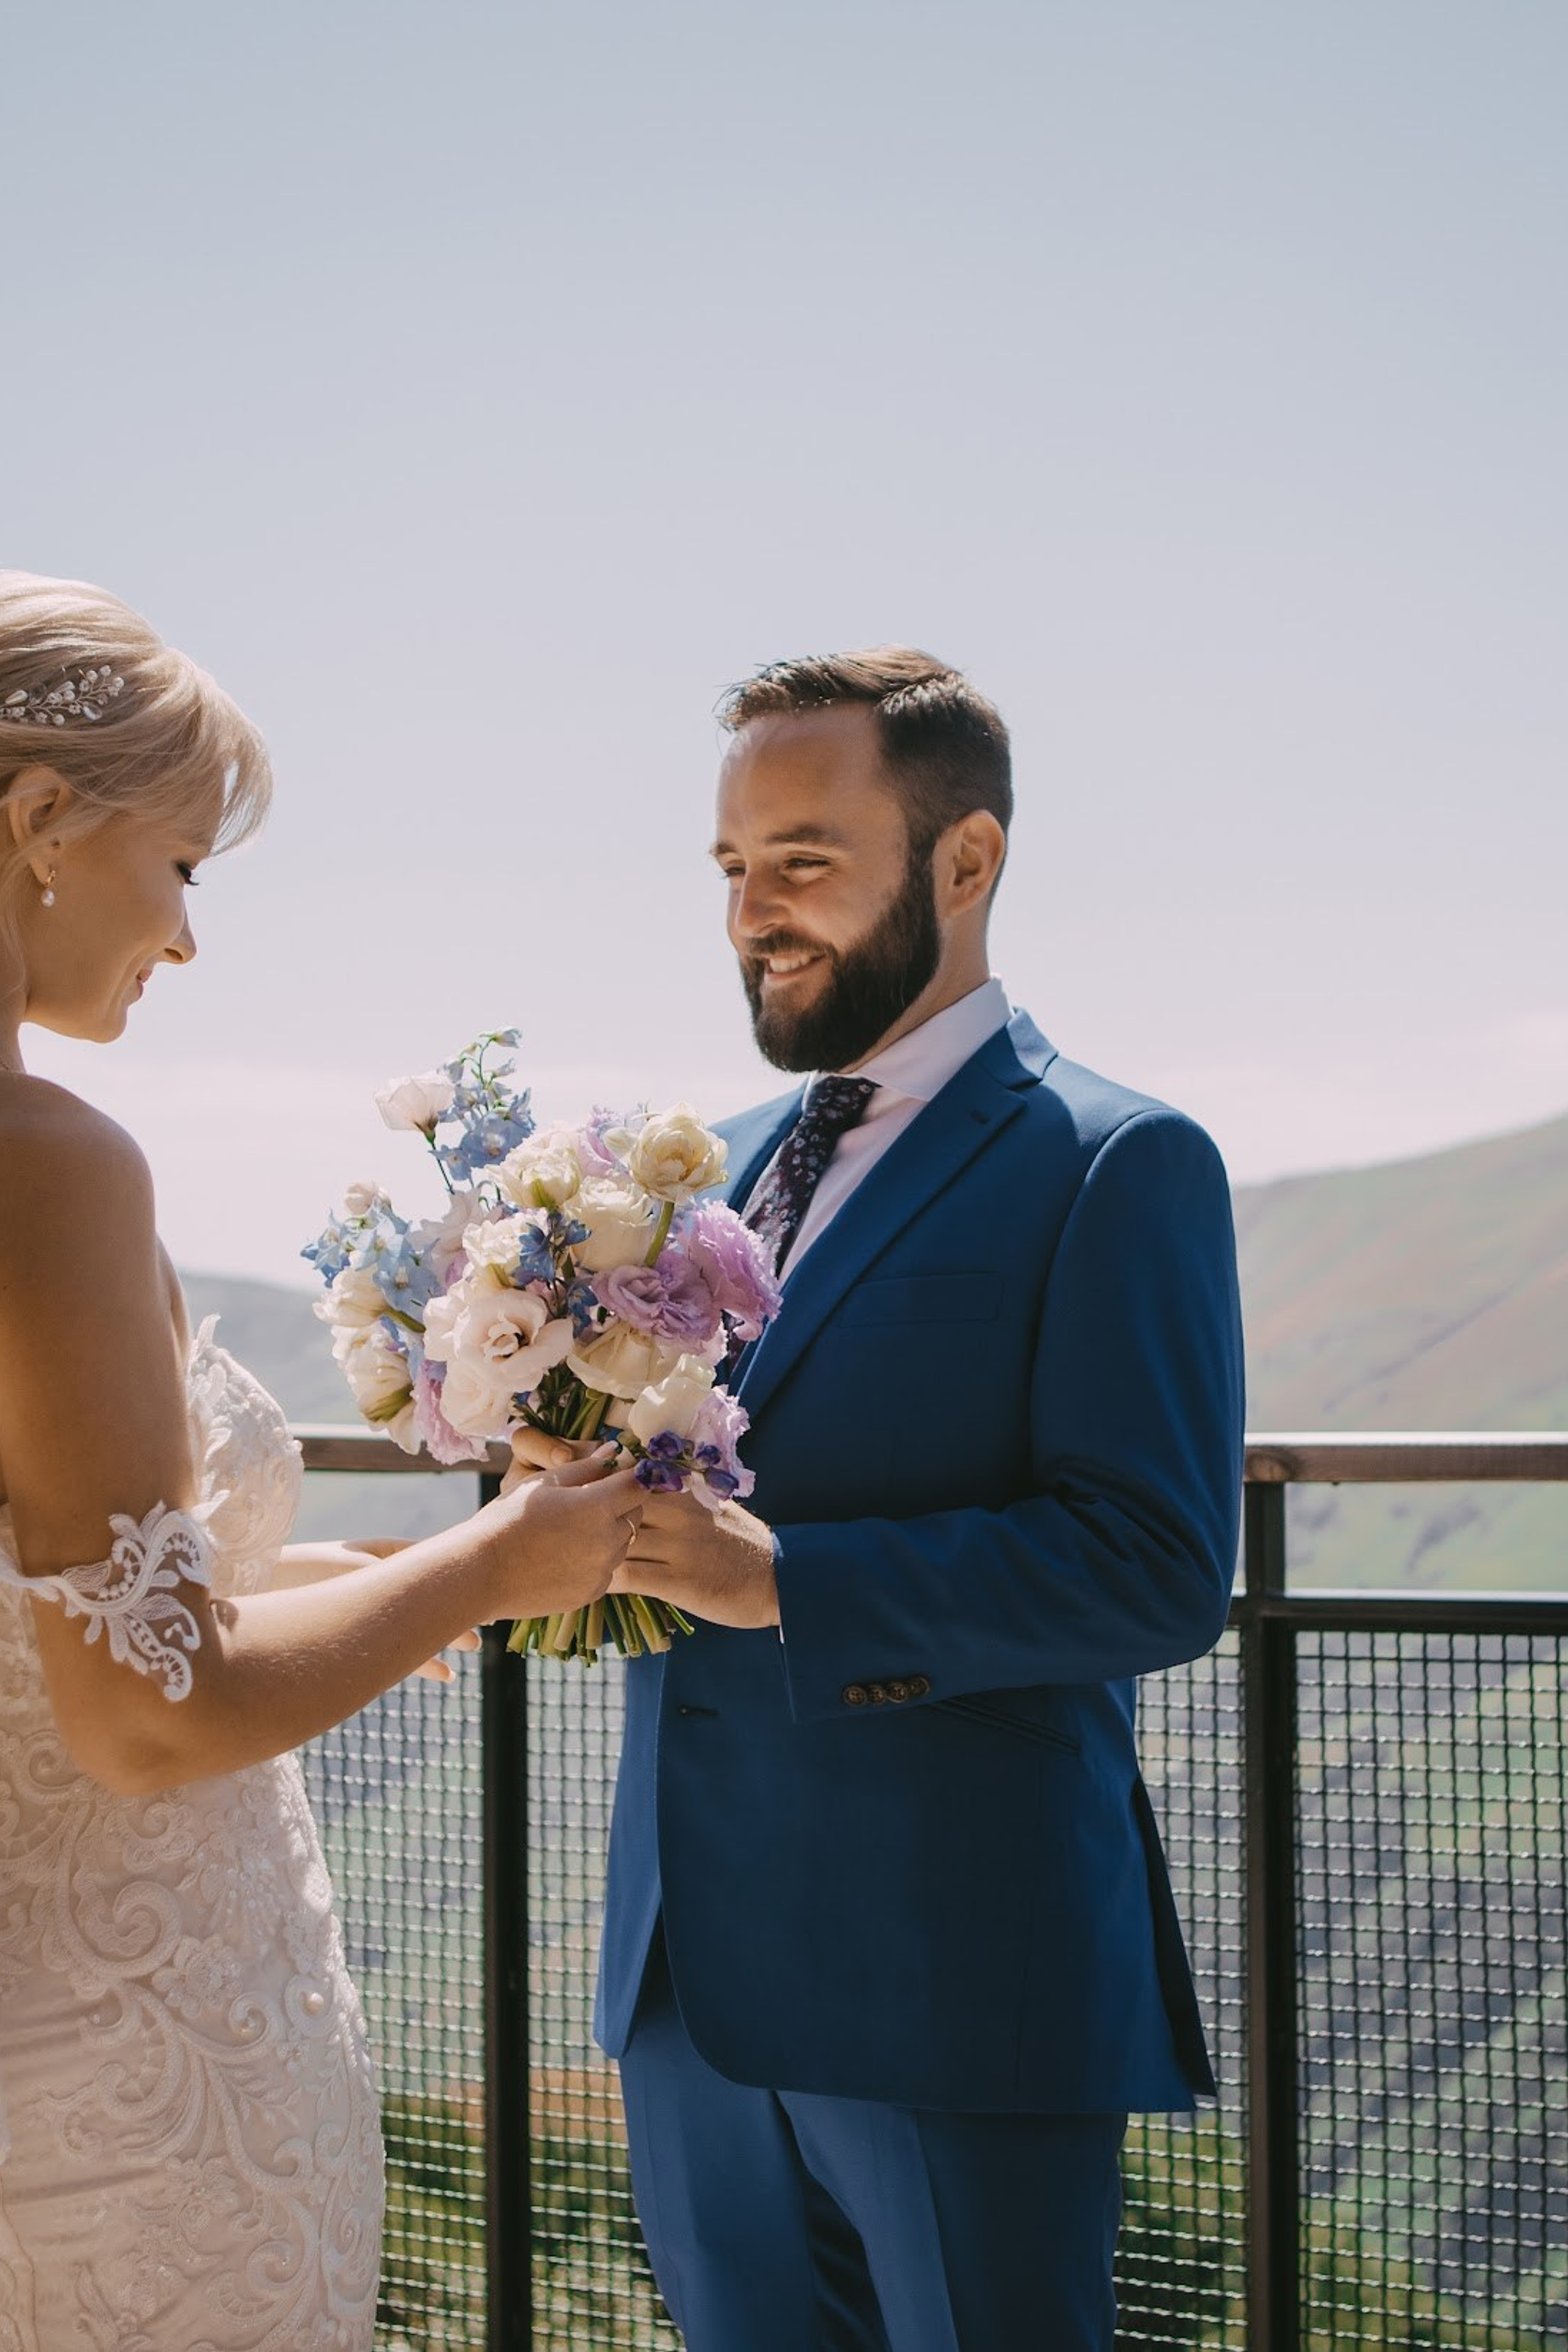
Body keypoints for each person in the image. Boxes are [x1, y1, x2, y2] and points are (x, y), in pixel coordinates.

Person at [518, 647, 1246, 2350]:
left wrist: (783, 1582)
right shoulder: (702, 1169)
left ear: (964, 860)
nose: (748, 914)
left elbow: (1155, 1567)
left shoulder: (1117, 1160)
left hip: (954, 1985)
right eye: (730, 865)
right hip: (685, 1992)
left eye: (802, 861)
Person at [0, 571, 642, 2349]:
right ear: (40, 820)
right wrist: (497, 1561)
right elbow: (149, 1717)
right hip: (132, 2118)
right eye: (183, 866)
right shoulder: (49, 1170)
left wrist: (320, 1580)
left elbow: (48, 1593)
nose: (187, 937)